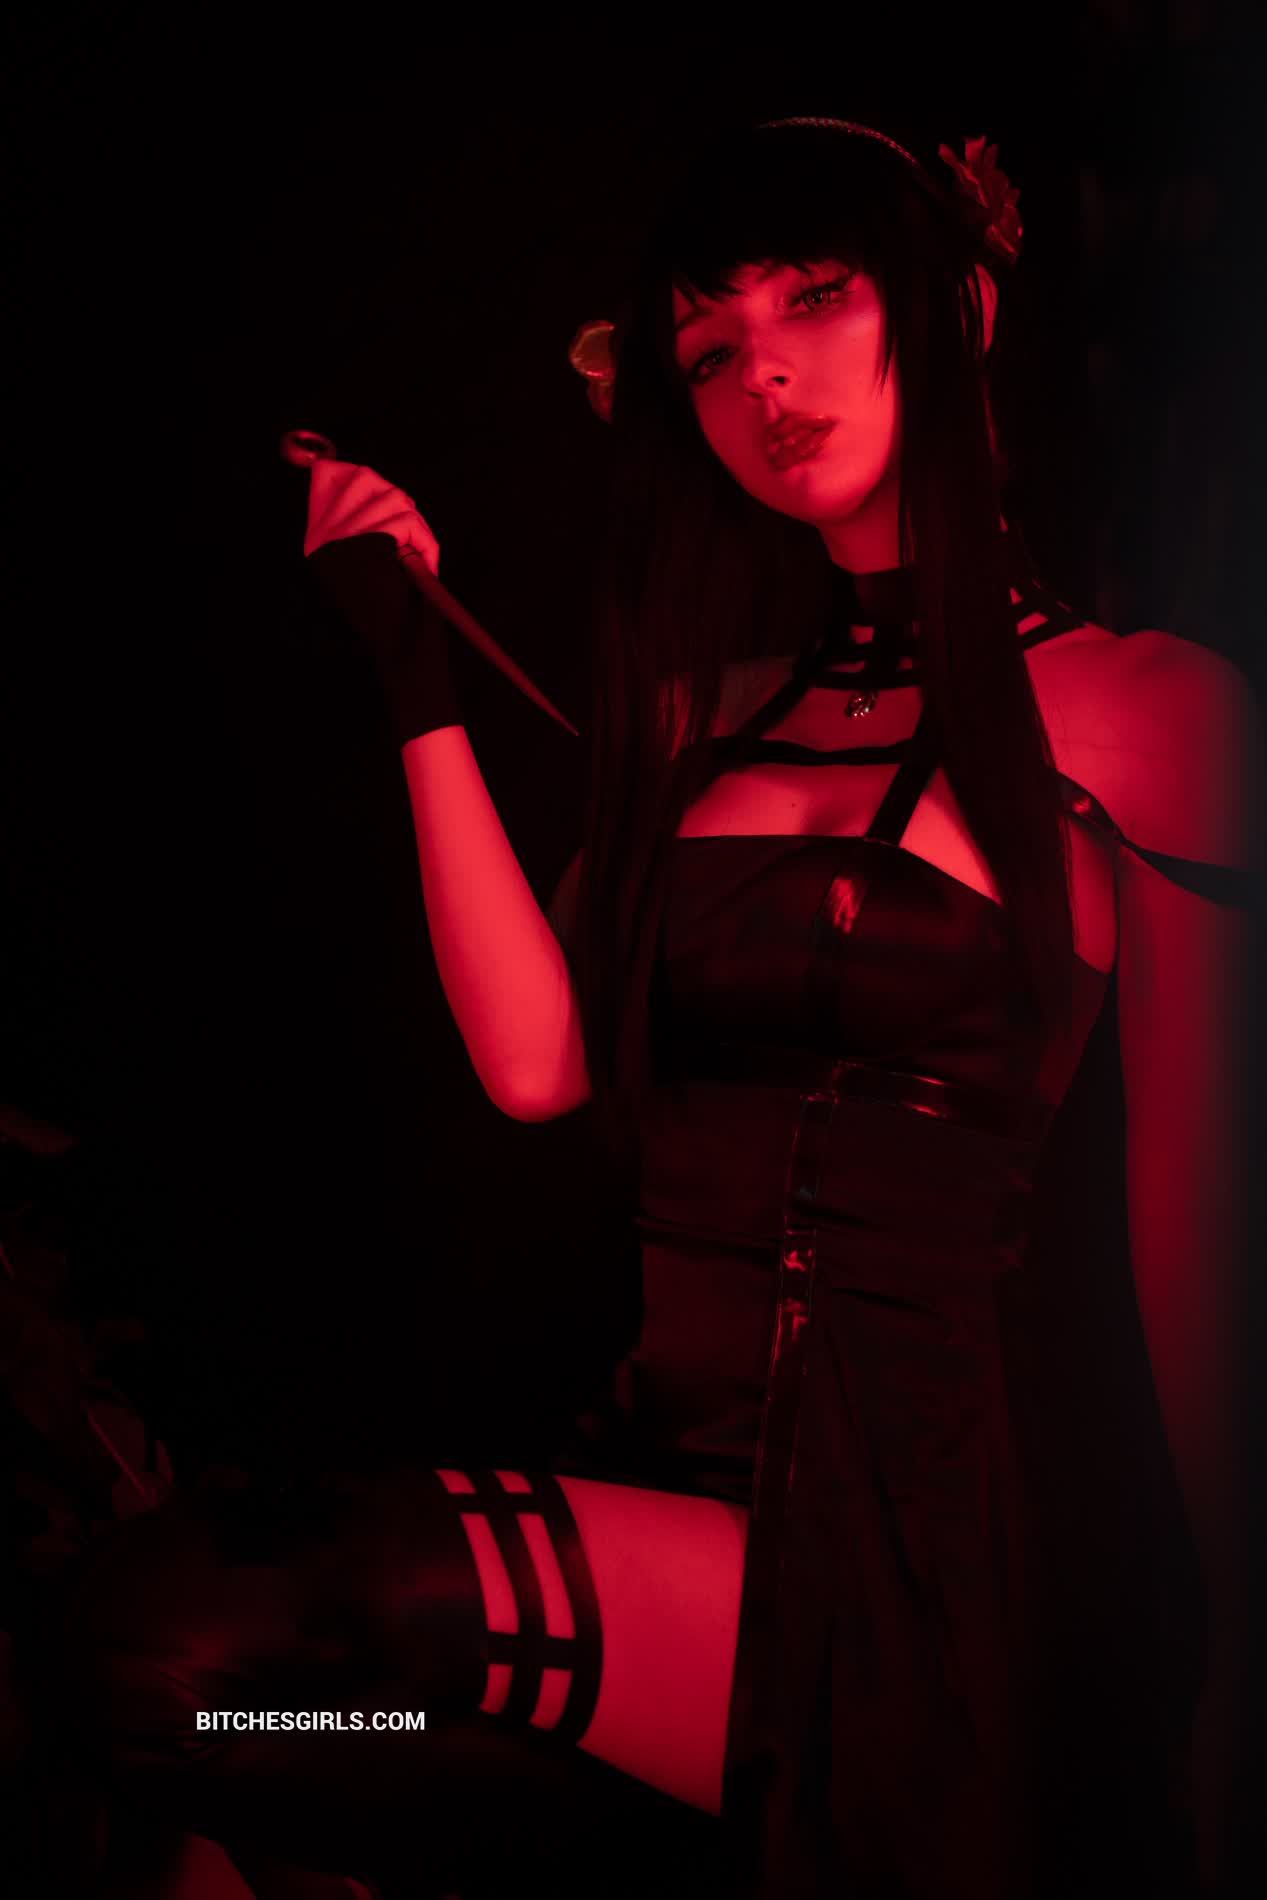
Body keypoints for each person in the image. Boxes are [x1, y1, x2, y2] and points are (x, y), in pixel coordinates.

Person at [47, 115, 1258, 1899]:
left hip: (900, 1551)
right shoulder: (706, 715)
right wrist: (413, 674)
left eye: (816, 296)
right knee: (226, 1744)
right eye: (703, 348)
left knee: (192, 1649)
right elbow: (539, 1064)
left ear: (964, 310)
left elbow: (1209, 1243)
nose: (760, 371)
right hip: (653, 1476)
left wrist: (1240, 1657)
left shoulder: (1150, 716)